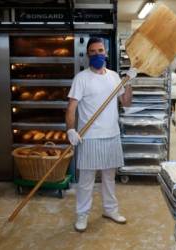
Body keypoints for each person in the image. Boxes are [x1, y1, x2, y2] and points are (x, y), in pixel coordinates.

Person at [65, 37, 137, 232]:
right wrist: (71, 129)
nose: (97, 54)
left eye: (100, 50)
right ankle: (82, 215)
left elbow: (127, 102)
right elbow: (72, 107)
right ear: (88, 54)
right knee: (86, 181)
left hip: (112, 135)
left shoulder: (114, 77)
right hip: (89, 137)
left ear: (106, 52)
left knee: (109, 178)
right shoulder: (81, 78)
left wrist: (129, 81)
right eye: (93, 51)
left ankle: (110, 210)